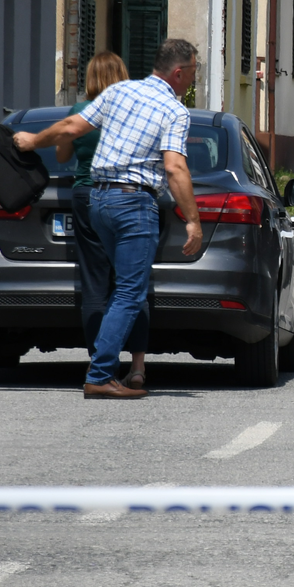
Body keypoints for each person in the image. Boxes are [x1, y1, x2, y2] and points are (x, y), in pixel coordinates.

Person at [14, 38, 200, 399]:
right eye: (193, 72)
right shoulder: (174, 111)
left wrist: (31, 141)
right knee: (130, 291)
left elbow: (70, 128)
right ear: (179, 73)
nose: (193, 79)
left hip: (97, 199)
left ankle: (105, 367)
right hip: (134, 203)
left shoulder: (120, 93)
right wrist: (192, 220)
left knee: (111, 289)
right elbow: (175, 167)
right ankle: (100, 374)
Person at [56, 52, 149, 390]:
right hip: (128, 197)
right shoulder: (133, 114)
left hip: (85, 195)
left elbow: (63, 156)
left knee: (94, 283)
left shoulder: (79, 114)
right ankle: (137, 366)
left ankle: (101, 365)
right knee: (131, 284)